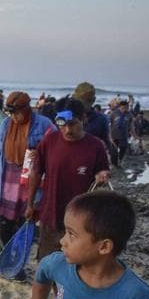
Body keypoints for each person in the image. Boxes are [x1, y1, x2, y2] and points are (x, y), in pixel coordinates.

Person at [26, 98, 110, 260]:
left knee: (74, 264)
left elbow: (103, 171)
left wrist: (103, 175)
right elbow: (36, 172)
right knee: (47, 264)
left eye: (72, 124)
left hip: (80, 219)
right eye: (62, 124)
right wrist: (30, 204)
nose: (67, 130)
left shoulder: (95, 146)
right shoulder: (49, 141)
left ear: (83, 118)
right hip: (51, 215)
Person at [0, 91, 53, 280]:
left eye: (16, 113)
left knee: (24, 224)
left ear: (26, 109)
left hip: (29, 182)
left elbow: (53, 152)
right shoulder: (6, 124)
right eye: (10, 113)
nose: (13, 117)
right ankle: (3, 261)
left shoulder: (44, 125)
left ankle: (18, 265)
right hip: (7, 177)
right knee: (5, 223)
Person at [110, 100, 132, 166]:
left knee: (123, 148)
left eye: (126, 108)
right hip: (114, 135)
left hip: (124, 135)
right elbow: (109, 125)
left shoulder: (129, 114)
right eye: (123, 108)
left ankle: (120, 160)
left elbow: (131, 126)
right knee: (113, 152)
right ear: (119, 107)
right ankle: (114, 164)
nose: (125, 109)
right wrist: (109, 136)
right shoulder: (114, 113)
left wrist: (134, 135)